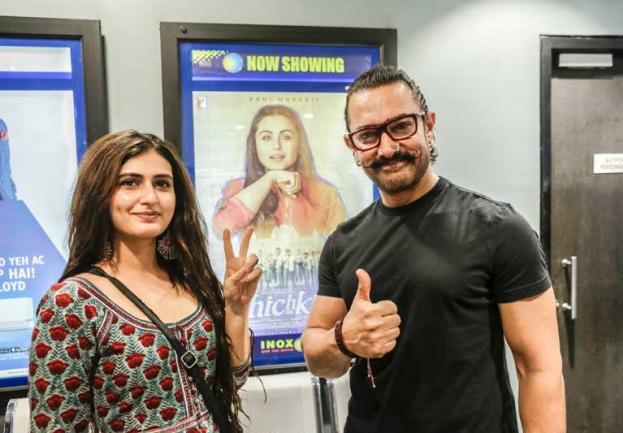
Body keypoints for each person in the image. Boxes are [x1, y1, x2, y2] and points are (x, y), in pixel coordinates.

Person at [302, 66, 565, 433]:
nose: (387, 148)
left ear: (428, 125)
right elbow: (318, 357)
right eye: (368, 135)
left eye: (401, 126)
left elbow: (538, 368)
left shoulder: (499, 228)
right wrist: (343, 339)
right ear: (353, 146)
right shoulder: (342, 243)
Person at [28, 130, 260, 432]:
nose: (150, 197)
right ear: (99, 194)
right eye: (130, 182)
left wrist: (237, 309)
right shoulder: (71, 303)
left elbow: (232, 379)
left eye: (162, 184)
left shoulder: (191, 281)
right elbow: (56, 426)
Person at [212, 104, 346, 239]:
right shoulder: (238, 189)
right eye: (266, 138)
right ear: (254, 145)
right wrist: (270, 178)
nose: (276, 146)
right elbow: (222, 230)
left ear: (299, 143)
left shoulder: (325, 193)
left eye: (286, 137)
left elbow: (342, 246)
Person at [0, 118, 18, 200]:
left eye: (4, 135)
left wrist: (14, 200)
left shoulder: (1, 124)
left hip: (9, 201)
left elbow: (6, 173)